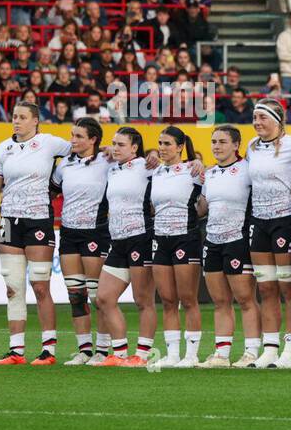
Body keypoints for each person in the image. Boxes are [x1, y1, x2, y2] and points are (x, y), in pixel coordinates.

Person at [0, 102, 72, 364]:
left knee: (40, 286)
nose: (16, 121)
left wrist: (108, 152)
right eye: (14, 117)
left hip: (38, 220)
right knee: (12, 287)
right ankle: (16, 350)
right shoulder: (2, 149)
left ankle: (48, 350)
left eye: (22, 117)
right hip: (9, 221)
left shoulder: (49, 143)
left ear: (35, 121)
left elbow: (82, 149)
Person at [197, 125, 262, 368]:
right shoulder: (210, 174)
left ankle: (251, 352)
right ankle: (222, 354)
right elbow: (202, 209)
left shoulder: (248, 170)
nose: (216, 146)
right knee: (220, 301)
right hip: (212, 240)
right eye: (214, 141)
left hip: (239, 240)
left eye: (223, 142)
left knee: (245, 298)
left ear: (236, 145)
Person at [247, 98, 291, 368]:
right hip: (259, 223)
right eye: (255, 117)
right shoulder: (251, 147)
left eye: (263, 117)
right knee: (266, 287)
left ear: (278, 120)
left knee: (287, 287)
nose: (257, 122)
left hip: (285, 221)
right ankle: (270, 348)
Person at [95, 127, 158, 366]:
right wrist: (106, 149)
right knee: (104, 298)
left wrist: (194, 164)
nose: (116, 148)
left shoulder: (147, 167)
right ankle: (119, 353)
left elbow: (175, 169)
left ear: (135, 147)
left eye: (122, 144)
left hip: (140, 238)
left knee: (143, 300)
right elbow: (94, 151)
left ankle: (142, 354)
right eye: (114, 143)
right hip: (117, 240)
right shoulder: (112, 169)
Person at [52, 117, 110, 365]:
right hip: (68, 233)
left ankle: (103, 350)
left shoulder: (108, 161)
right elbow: (51, 191)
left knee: (98, 296)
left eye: (78, 136)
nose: (72, 140)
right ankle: (84, 349)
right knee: (76, 295)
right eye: (72, 135)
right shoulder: (64, 164)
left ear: (93, 139)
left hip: (95, 232)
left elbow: (139, 164)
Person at [149, 125, 204, 368]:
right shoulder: (155, 172)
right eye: (160, 143)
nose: (162, 148)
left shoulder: (193, 170)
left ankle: (191, 355)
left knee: (188, 298)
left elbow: (209, 196)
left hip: (185, 237)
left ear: (180, 147)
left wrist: (202, 164)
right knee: (168, 300)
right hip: (160, 239)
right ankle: (172, 354)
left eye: (167, 144)